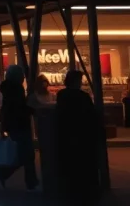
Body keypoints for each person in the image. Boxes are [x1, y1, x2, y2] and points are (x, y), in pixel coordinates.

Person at [56, 70, 102, 204]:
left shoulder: (62, 95)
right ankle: (86, 193)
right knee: (84, 166)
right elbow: (90, 117)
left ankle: (72, 193)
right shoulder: (82, 97)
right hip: (82, 137)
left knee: (71, 167)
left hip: (68, 137)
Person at [0, 64, 39, 192]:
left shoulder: (9, 89)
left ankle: (28, 181)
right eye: (22, 76)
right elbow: (18, 108)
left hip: (14, 124)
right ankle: (28, 182)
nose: (23, 78)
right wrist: (32, 109)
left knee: (24, 154)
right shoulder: (16, 90)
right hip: (19, 124)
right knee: (25, 154)